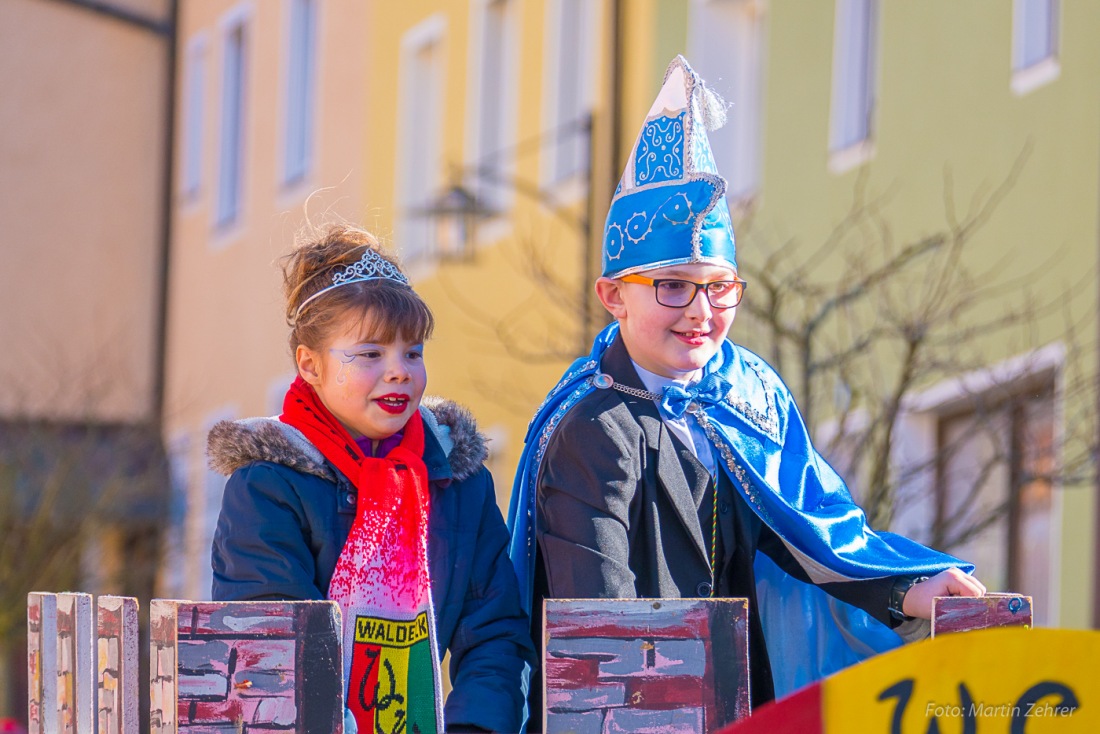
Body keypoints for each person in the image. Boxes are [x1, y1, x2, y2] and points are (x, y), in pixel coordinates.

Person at [507, 56, 985, 718]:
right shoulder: (591, 428)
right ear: (613, 296)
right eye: (672, 286)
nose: (701, 311)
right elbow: (598, 614)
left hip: (734, 706)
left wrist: (910, 588)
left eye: (719, 287)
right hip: (640, 713)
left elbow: (814, 529)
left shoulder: (747, 395)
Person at [209, 224, 535, 734]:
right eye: (370, 354)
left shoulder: (456, 480)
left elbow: (493, 634)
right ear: (310, 364)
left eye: (413, 351)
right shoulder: (268, 485)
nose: (399, 370)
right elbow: (275, 650)